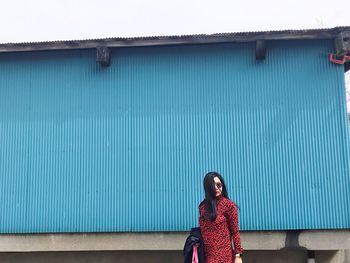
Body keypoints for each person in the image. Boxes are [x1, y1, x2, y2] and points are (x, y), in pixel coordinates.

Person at [199, 171, 244, 263]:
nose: (216, 188)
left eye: (219, 185)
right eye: (212, 186)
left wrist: (238, 255)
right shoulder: (203, 207)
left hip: (223, 256)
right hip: (206, 255)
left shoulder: (228, 205)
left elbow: (235, 232)